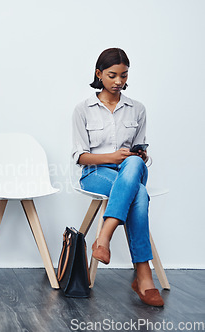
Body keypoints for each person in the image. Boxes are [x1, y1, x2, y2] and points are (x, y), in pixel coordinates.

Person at [71, 48, 164, 307]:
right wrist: (112, 157)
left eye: (124, 76)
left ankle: (104, 237)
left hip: (130, 171)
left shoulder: (137, 109)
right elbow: (80, 157)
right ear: (99, 74)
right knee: (140, 195)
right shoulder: (83, 109)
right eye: (112, 75)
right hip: (95, 174)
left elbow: (143, 150)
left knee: (134, 162)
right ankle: (144, 276)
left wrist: (140, 156)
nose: (118, 82)